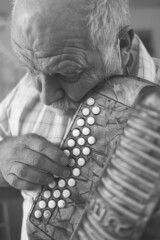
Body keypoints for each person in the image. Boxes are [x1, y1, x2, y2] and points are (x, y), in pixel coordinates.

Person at [0, 0, 160, 239]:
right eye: (30, 67)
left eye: (67, 72)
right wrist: (3, 156)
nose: (44, 96)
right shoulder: (26, 91)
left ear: (122, 45)